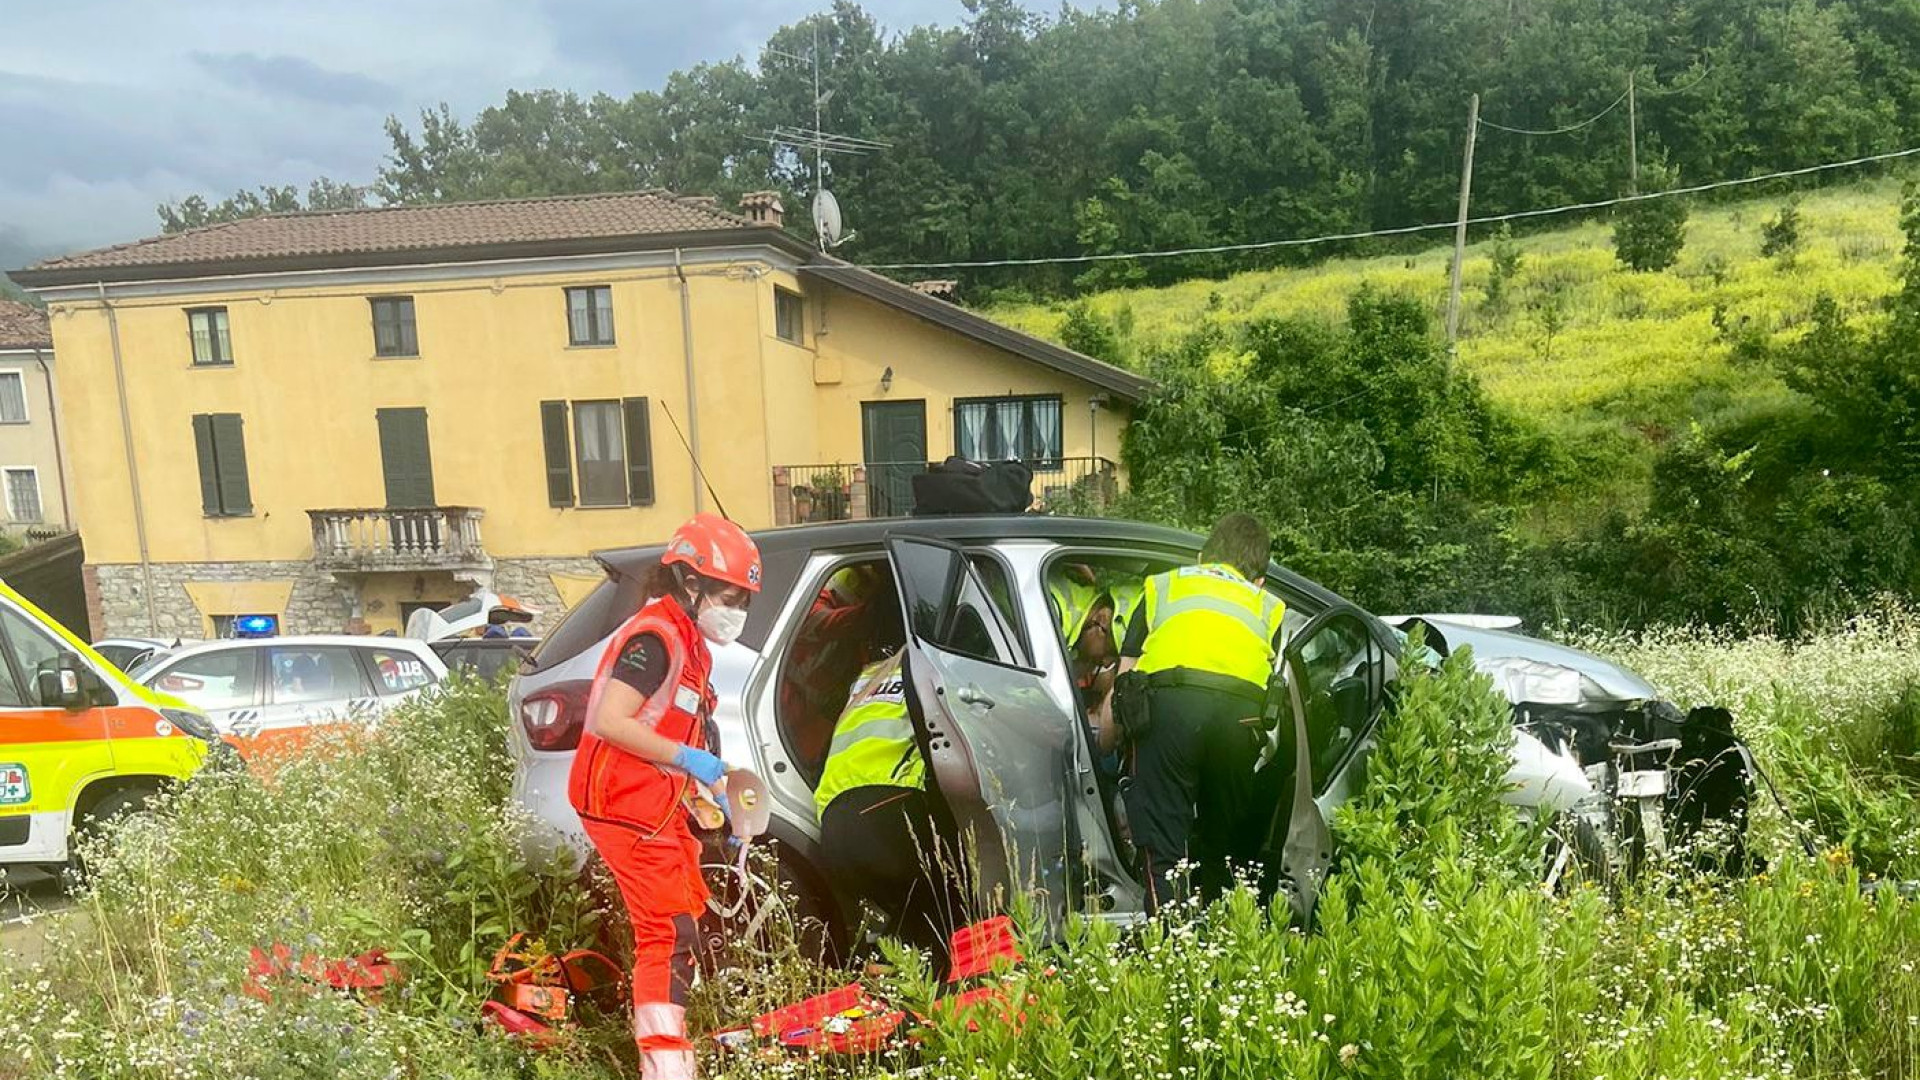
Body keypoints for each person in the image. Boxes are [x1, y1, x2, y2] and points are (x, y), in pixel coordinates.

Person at [567, 513, 761, 1080]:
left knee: (688, 912)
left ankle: (669, 1037)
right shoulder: (655, 637)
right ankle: (665, 1065)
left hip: (653, 800)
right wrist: (688, 760)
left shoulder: (686, 638)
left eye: (743, 599)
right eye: (730, 595)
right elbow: (608, 719)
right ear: (690, 582)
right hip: (623, 804)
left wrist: (713, 780)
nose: (737, 610)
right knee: (666, 929)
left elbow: (673, 723)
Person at [1116, 513, 1287, 911]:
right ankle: (1219, 931)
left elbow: (1126, 677)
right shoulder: (1268, 607)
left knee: (1163, 841)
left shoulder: (1164, 587)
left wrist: (1111, 740)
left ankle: (1171, 942)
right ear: (1259, 578)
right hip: (1240, 715)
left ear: (1201, 557)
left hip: (1170, 706)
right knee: (1223, 840)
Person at [814, 646, 966, 964]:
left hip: (832, 824)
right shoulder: (931, 667)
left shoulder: (866, 678)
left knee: (904, 926)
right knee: (945, 911)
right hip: (887, 812)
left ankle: (885, 977)